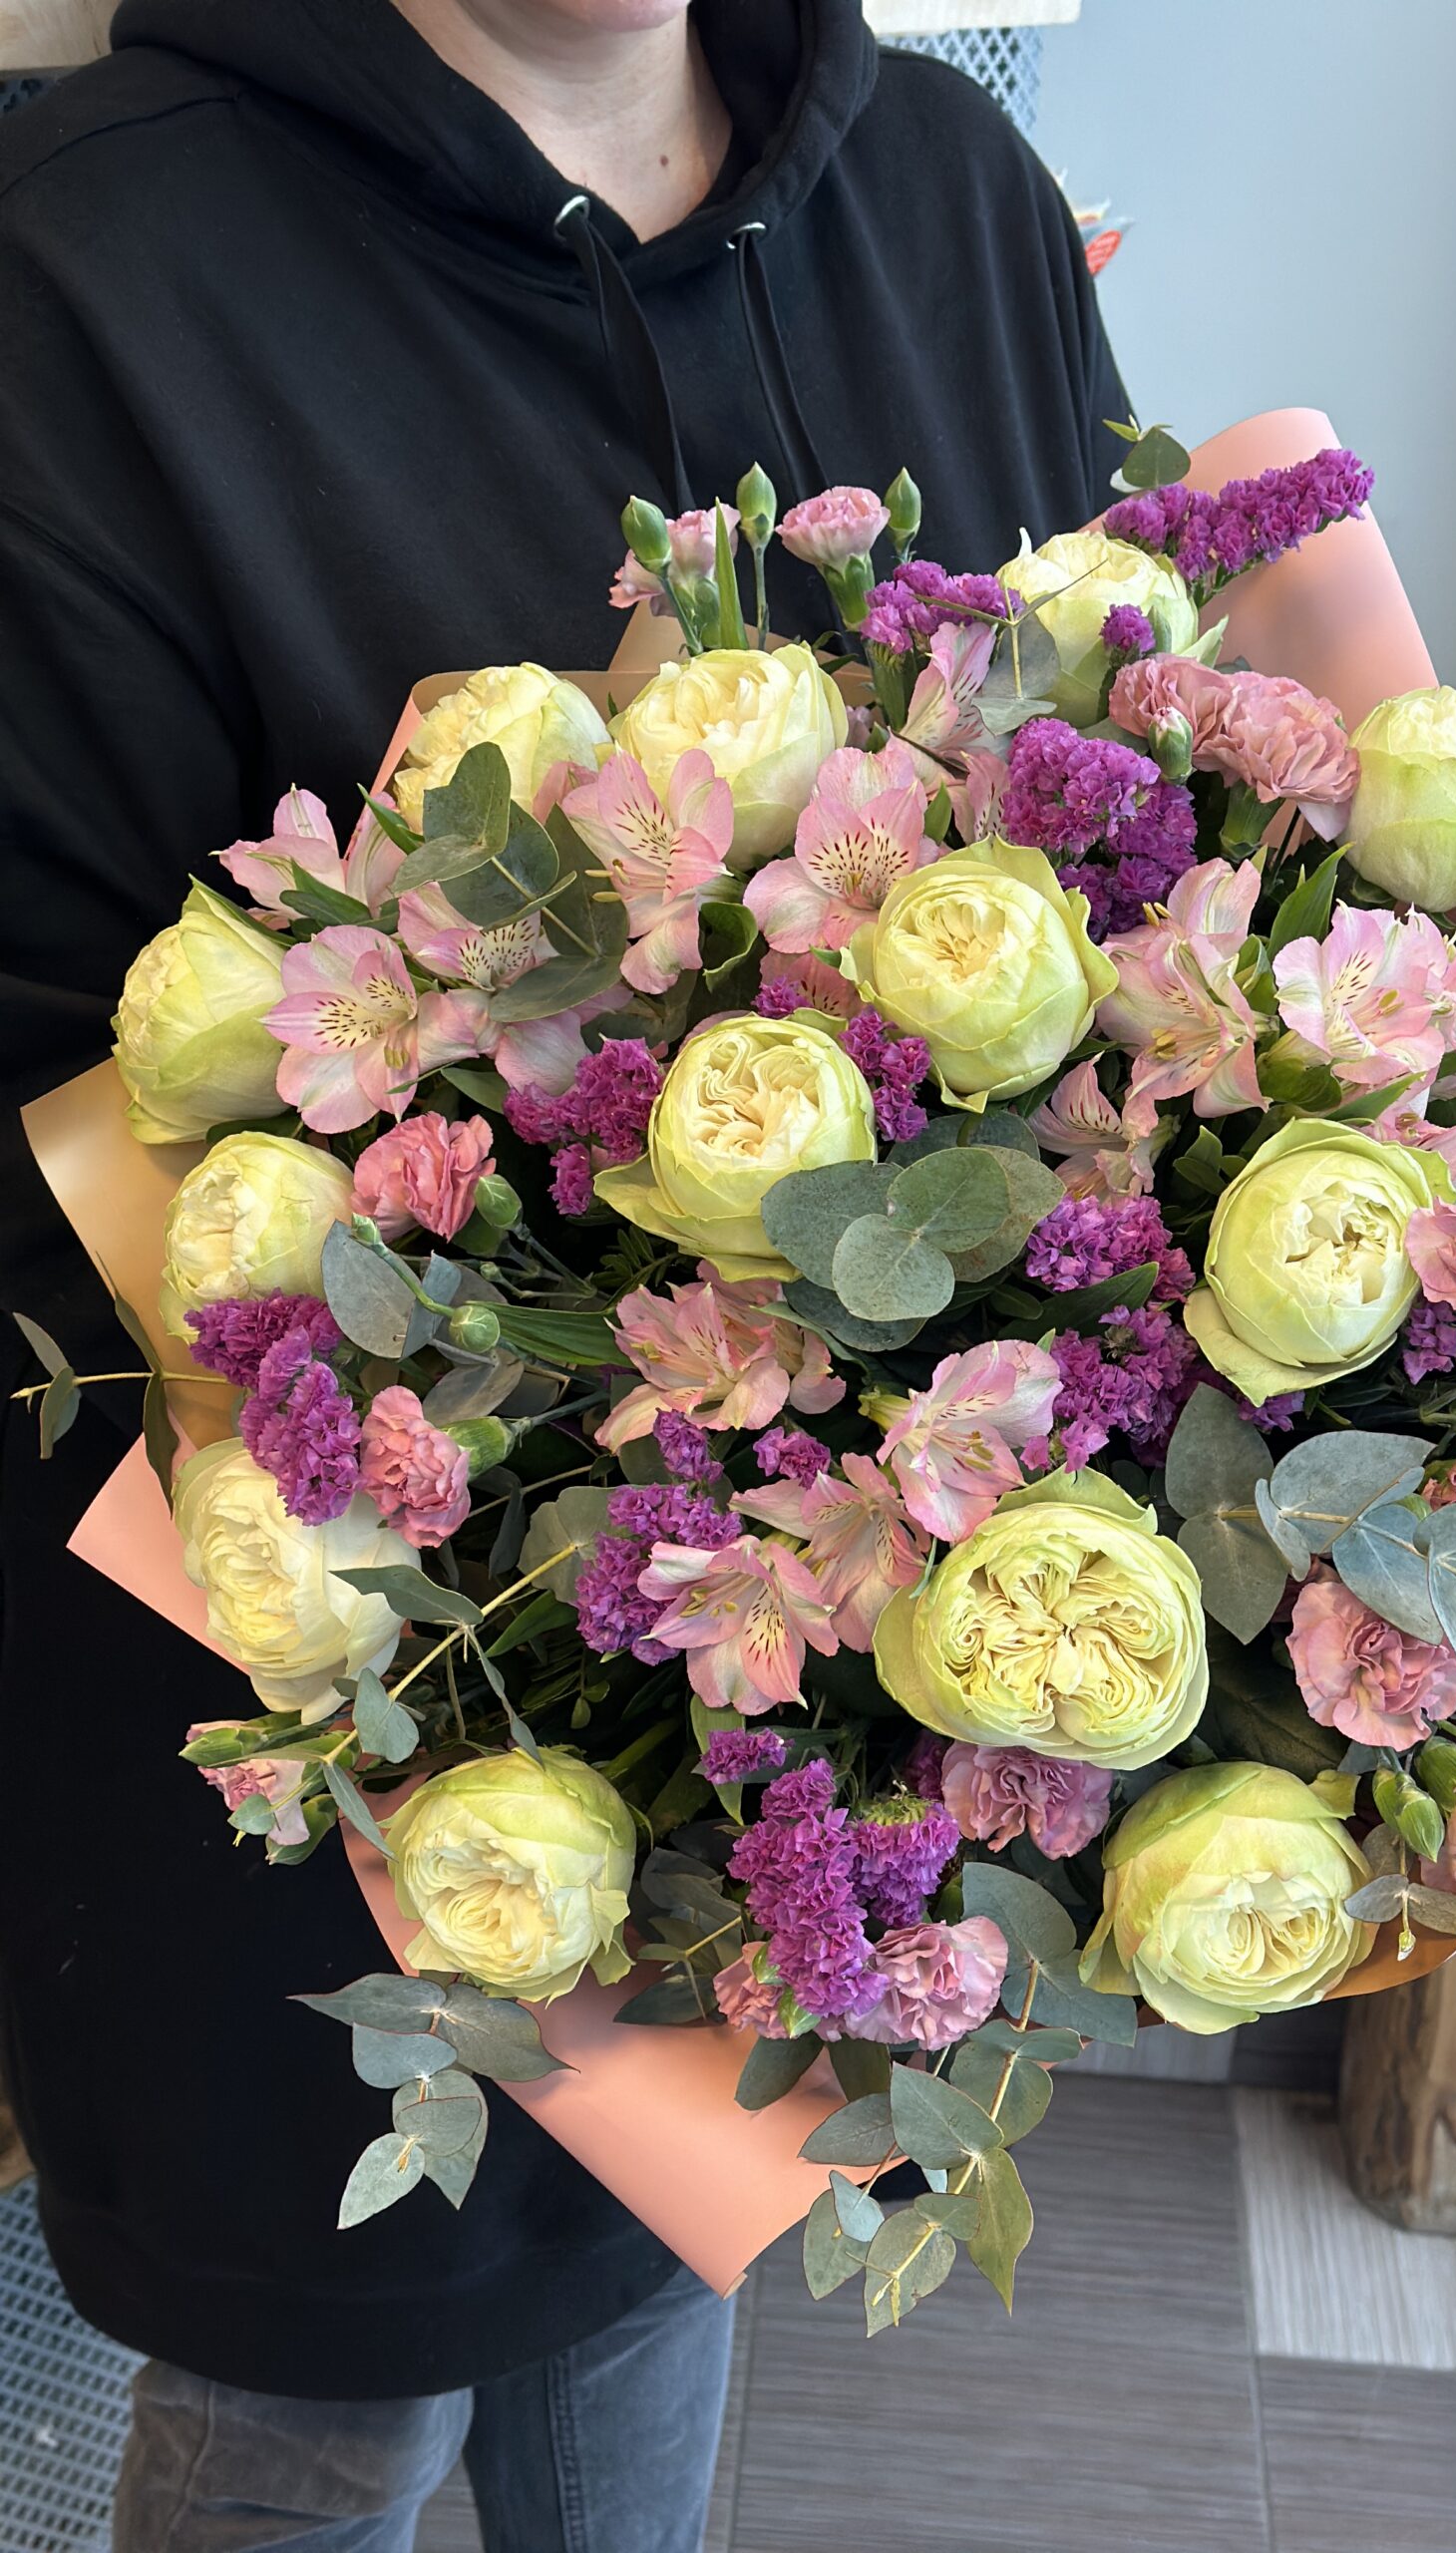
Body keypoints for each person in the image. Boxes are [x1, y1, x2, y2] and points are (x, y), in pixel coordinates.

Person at [0, 2, 1127, 2543]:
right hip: (293, 1749)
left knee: (655, 2320)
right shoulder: (83, 278)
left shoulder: (950, 199)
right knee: (320, 2430)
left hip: (788, 1757)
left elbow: (1116, 828)